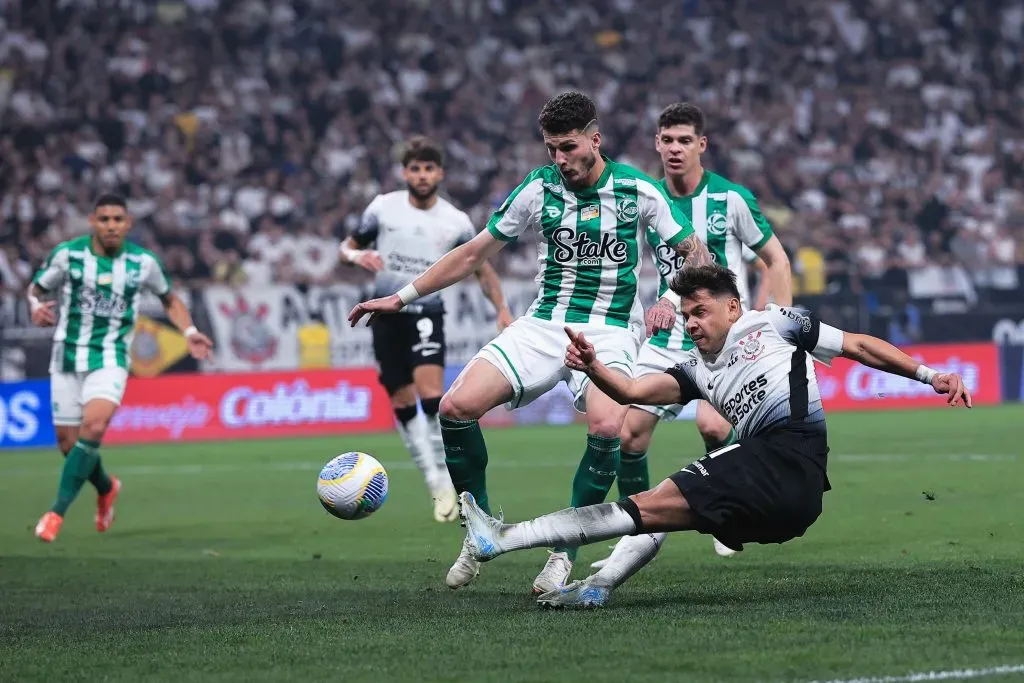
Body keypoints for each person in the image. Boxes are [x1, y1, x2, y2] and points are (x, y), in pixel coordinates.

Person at [348, 92, 714, 593]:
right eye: (551, 149)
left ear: (595, 140)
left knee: (608, 425)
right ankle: (478, 531)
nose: (559, 159)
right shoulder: (538, 188)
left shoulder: (637, 190)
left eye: (568, 147)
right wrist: (402, 297)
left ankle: (563, 553)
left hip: (609, 329)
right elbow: (474, 252)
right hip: (543, 324)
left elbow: (696, 251)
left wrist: (670, 299)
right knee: (454, 407)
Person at [455, 264, 971, 609]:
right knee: (656, 511)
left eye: (700, 312)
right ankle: (596, 588)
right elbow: (632, 389)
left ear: (733, 308)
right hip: (779, 498)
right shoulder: (695, 370)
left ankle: (500, 539)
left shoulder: (776, 323)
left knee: (649, 503)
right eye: (685, 315)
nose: (691, 323)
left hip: (787, 460)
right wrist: (593, 367)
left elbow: (858, 345)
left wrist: (929, 375)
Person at [599, 102, 793, 564]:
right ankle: (636, 533)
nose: (675, 148)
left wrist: (777, 325)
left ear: (701, 145)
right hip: (667, 338)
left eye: (684, 140)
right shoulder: (646, 198)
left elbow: (777, 259)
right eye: (667, 140)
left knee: (713, 425)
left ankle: (726, 516)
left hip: (724, 340)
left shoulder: (731, 199)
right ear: (656, 144)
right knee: (629, 437)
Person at [339, 136, 514, 523]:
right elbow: (346, 246)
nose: (422, 175)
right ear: (405, 173)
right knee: (402, 402)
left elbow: (481, 268)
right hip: (384, 316)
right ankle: (434, 479)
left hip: (425, 312)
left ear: (440, 174)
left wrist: (501, 307)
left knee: (432, 395)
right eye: (415, 168)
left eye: (428, 169)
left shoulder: (455, 221)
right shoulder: (383, 208)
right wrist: (356, 255)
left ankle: (447, 480)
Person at [28, 194, 214, 542]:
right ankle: (106, 487)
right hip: (67, 357)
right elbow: (36, 289)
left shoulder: (142, 263)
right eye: (104, 219)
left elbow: (169, 298)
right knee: (69, 445)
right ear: (92, 222)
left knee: (94, 426)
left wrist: (189, 331)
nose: (111, 226)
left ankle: (56, 513)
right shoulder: (68, 255)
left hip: (111, 357)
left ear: (128, 224)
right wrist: (35, 305)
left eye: (118, 219)